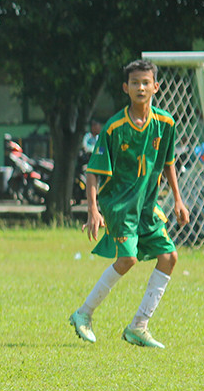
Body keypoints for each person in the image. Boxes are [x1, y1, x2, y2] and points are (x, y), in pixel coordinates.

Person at [69, 59, 190, 349]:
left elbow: (169, 163)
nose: (140, 87)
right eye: (135, 82)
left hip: (147, 206)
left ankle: (139, 326)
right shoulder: (114, 127)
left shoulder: (166, 123)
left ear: (155, 87)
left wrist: (177, 199)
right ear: (126, 88)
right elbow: (93, 172)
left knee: (170, 257)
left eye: (146, 82)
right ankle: (83, 314)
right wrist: (94, 209)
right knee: (128, 259)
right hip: (119, 205)